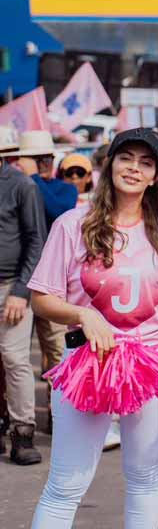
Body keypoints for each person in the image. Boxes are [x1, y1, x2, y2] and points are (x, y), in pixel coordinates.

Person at [28, 128, 158, 527]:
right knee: (66, 482)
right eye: (126, 157)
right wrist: (83, 315)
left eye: (146, 162)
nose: (134, 168)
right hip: (87, 364)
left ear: (155, 176)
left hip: (154, 360)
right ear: (108, 163)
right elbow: (41, 298)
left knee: (144, 475)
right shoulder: (73, 224)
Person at [8, 131, 76, 398]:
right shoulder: (16, 188)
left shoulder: (63, 188)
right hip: (20, 280)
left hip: (53, 284)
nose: (43, 163)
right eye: (37, 159)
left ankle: (58, 410)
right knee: (13, 356)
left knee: (57, 351)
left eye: (46, 158)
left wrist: (33, 176)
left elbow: (59, 209)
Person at [0, 139, 47, 465]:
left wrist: (20, 290)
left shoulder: (22, 186)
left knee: (15, 359)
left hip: (10, 287)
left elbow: (36, 240)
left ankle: (22, 432)